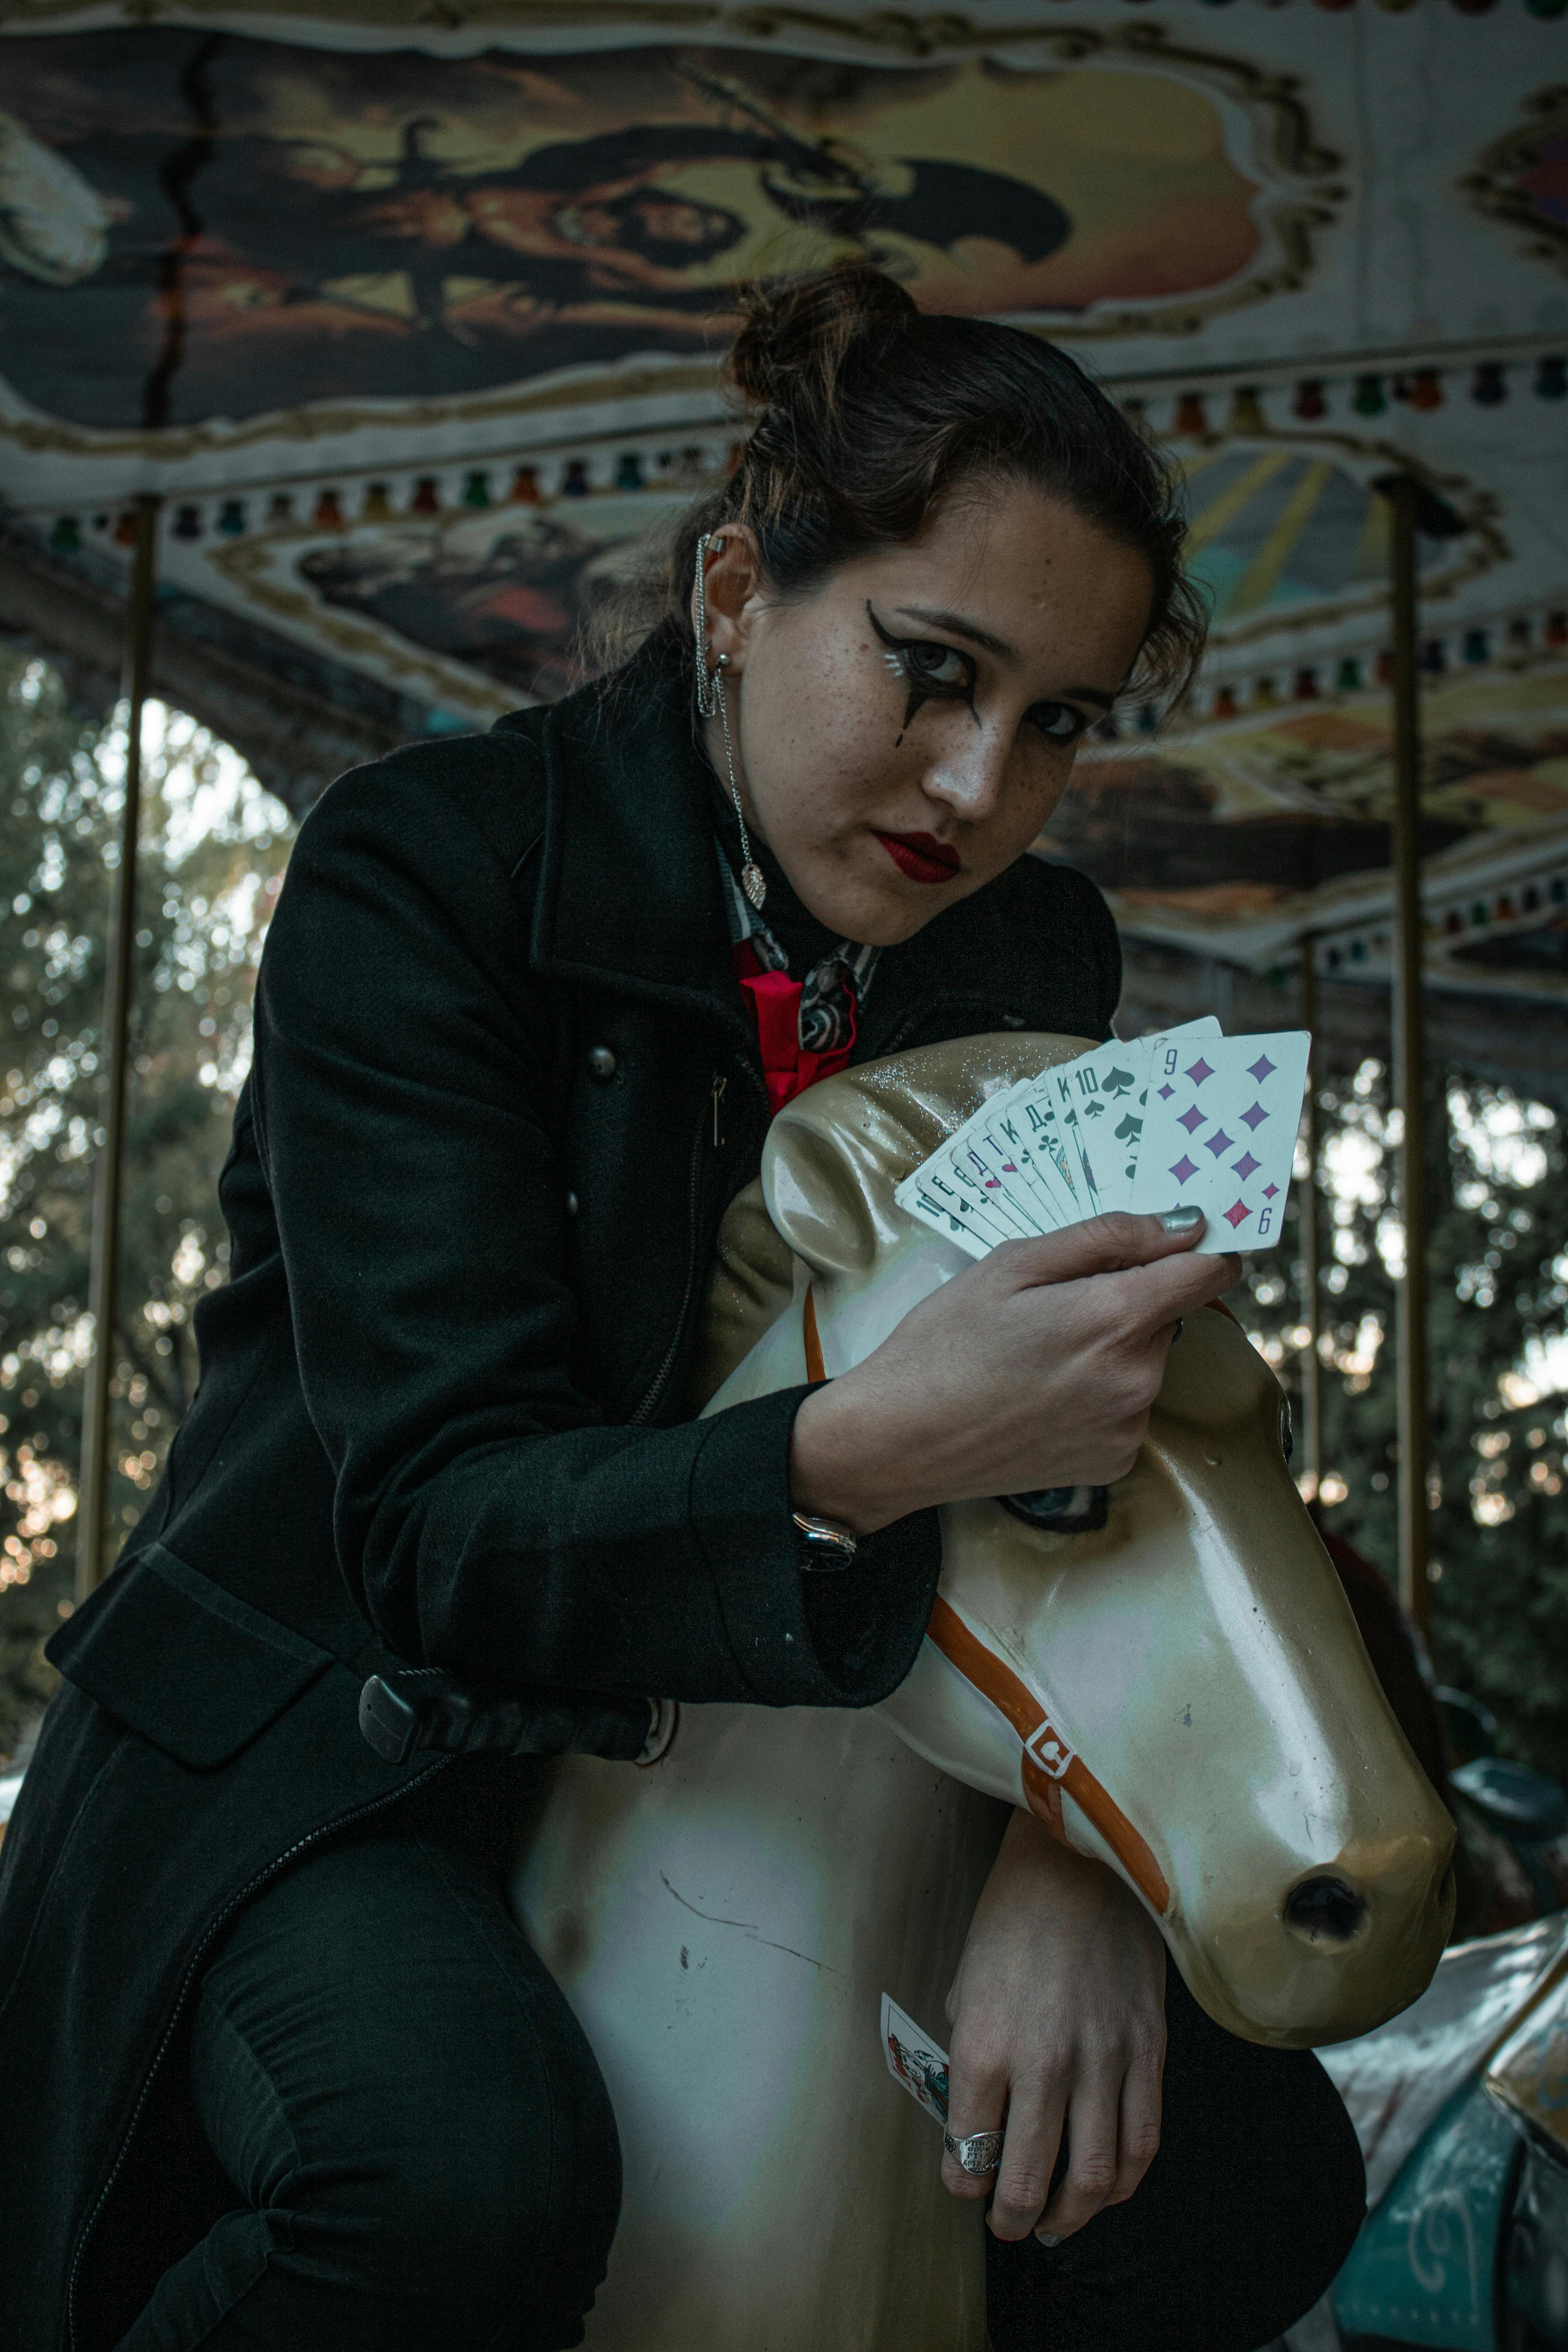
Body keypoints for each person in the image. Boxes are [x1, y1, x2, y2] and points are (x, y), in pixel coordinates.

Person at [0, 265, 1363, 2352]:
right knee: (453, 2175)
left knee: (1237, 2182)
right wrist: (896, 1438)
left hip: (810, 1724)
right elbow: (437, 1527)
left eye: (1058, 722)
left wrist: (1072, 1862)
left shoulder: (1029, 954)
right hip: (354, 1722)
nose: (980, 787)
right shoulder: (430, 869)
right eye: (932, 671)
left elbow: (1123, 1451)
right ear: (740, 590)